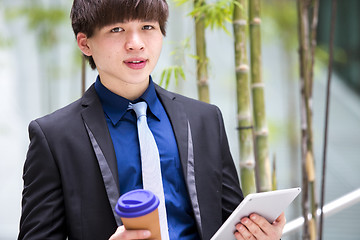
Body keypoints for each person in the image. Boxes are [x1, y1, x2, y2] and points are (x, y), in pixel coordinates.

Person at [18, 0, 286, 239]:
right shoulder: (54, 137)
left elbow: (231, 223)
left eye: (148, 27)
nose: (136, 43)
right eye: (117, 29)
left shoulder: (204, 120)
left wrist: (258, 234)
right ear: (85, 43)